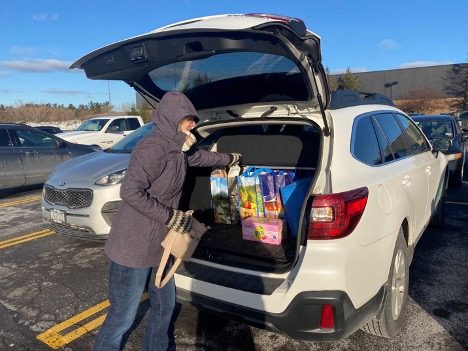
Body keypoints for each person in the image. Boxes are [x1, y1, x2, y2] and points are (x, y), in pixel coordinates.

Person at [92, 91, 241, 351]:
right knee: (122, 318)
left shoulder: (179, 148)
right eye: (188, 119)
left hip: (162, 244)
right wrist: (171, 215)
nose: (193, 124)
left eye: (194, 119)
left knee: (164, 306)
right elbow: (130, 191)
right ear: (173, 118)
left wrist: (231, 158)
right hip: (133, 246)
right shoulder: (152, 147)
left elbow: (202, 157)